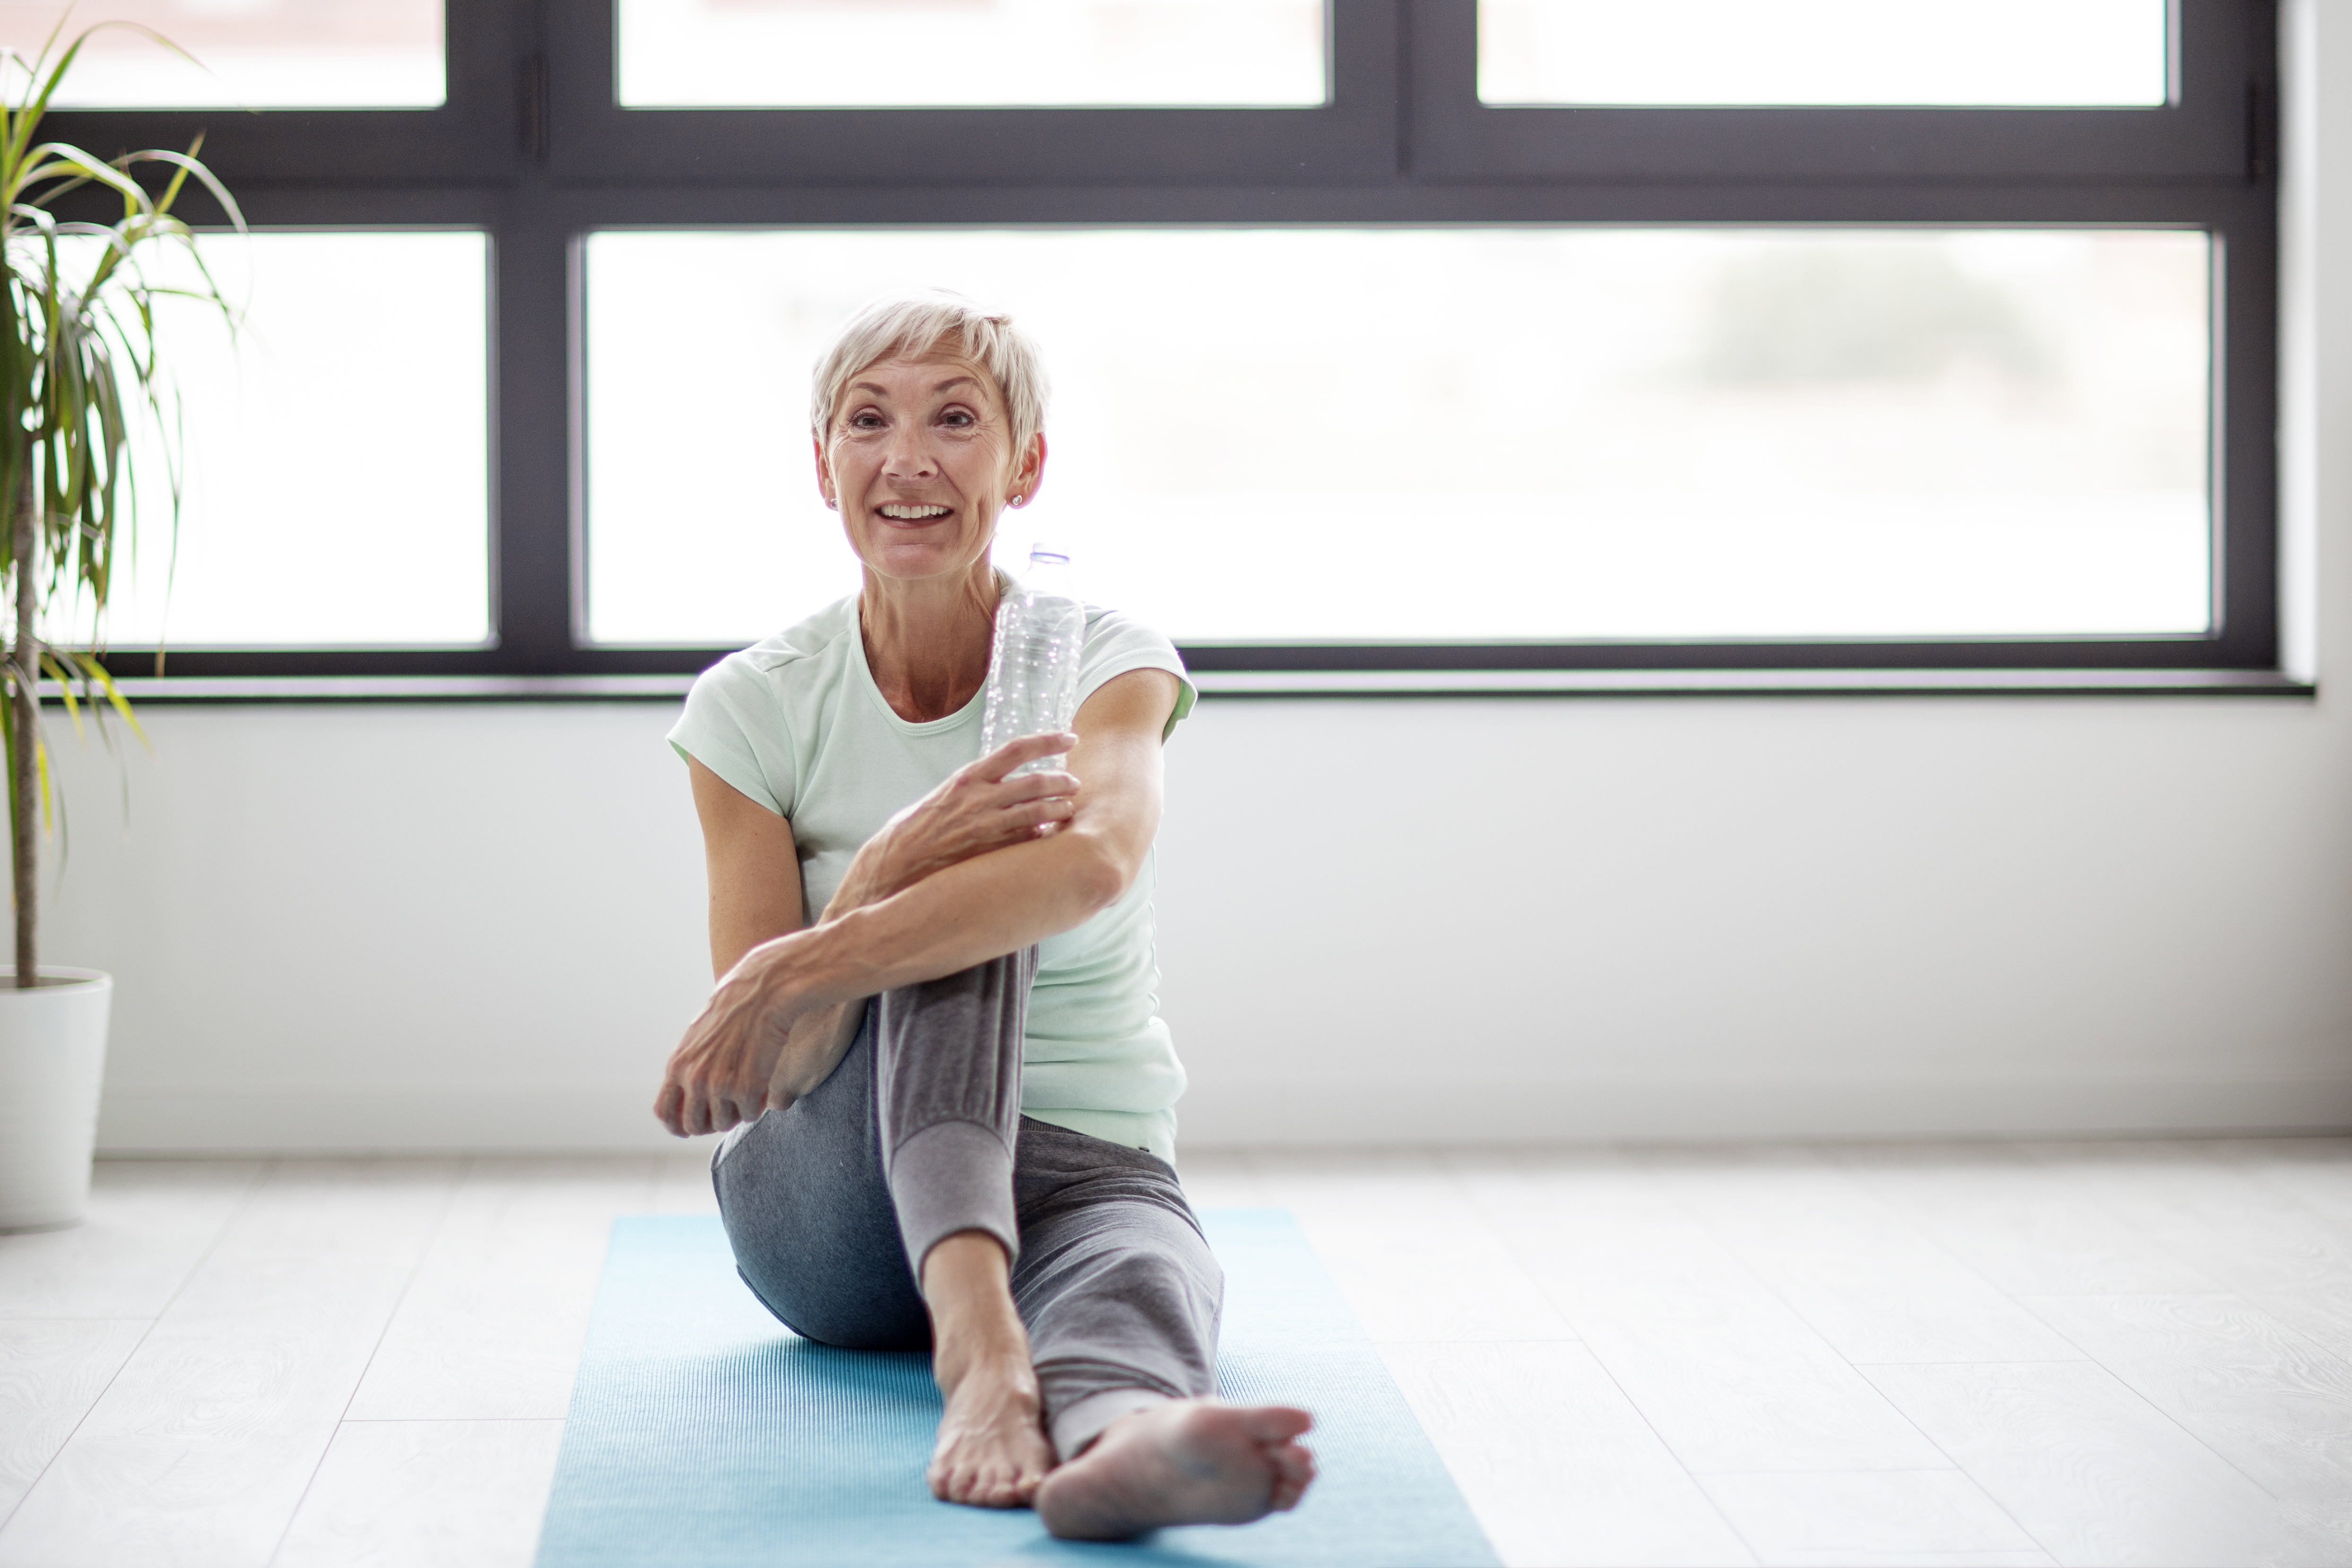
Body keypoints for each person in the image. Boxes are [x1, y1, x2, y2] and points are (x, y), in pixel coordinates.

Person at [653, 291, 1317, 1540]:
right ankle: (983, 1363)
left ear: (1027, 464)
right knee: (959, 924)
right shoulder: (751, 709)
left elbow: (1091, 867)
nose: (908, 459)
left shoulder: (1109, 658)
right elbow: (773, 1059)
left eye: (956, 419)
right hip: (831, 1204)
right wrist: (894, 864)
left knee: (1147, 1268)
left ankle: (1134, 1441)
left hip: (1078, 1167)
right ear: (824, 466)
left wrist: (818, 946)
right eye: (869, 422)